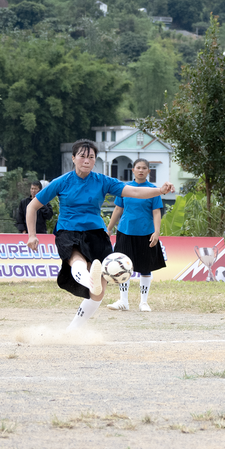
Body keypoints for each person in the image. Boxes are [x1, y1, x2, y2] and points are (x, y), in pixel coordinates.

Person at [24, 139, 174, 331]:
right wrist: (31, 235)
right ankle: (88, 279)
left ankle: (72, 330)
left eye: (91, 157)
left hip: (96, 232)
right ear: (73, 158)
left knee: (99, 292)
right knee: (76, 258)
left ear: (95, 160)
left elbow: (135, 191)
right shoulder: (61, 182)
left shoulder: (103, 181)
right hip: (68, 230)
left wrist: (159, 190)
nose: (87, 160)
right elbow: (32, 207)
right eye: (82, 156)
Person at [105, 158, 165, 312]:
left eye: (144, 168)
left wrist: (157, 232)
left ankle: (143, 302)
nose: (141, 170)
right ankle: (123, 301)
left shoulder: (153, 190)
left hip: (146, 233)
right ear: (133, 170)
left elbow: (156, 211)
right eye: (138, 167)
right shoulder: (125, 188)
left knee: (146, 267)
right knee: (122, 267)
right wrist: (109, 228)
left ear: (148, 171)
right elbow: (118, 209)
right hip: (125, 231)